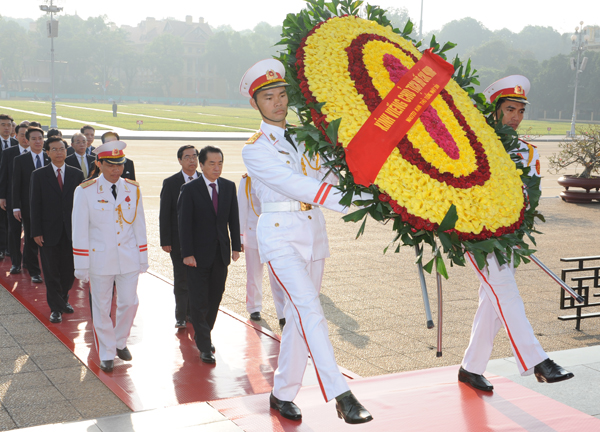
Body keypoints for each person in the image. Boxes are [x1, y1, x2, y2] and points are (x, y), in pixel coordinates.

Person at [239, 59, 372, 424]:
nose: (278, 103)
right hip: (279, 235)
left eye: (282, 94)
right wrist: (352, 203)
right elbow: (297, 185)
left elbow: (334, 174)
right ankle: (342, 395)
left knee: (300, 319)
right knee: (311, 309)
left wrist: (373, 191)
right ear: (256, 104)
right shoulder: (255, 149)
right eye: (269, 97)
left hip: (312, 233)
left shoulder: (307, 137)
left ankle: (282, 394)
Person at [458, 75, 574, 392]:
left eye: (520, 111)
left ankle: (470, 368)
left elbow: (531, 199)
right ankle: (538, 362)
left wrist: (517, 231)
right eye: (510, 109)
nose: (516, 117)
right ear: (494, 110)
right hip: (475, 235)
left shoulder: (527, 152)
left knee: (493, 301)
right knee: (505, 291)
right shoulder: (470, 146)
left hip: (508, 238)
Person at [72, 140, 148, 372]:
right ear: (99, 164)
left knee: (129, 302)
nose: (117, 170)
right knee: (102, 307)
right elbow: (79, 229)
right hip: (100, 259)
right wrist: (81, 265)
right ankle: (106, 351)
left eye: (120, 164)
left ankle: (119, 341)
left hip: (128, 257)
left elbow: (139, 225)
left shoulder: (132, 189)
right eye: (111, 165)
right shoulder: (85, 191)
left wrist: (143, 257)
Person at [177, 145, 241, 364]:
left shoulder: (229, 186)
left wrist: (236, 246)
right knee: (198, 300)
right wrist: (187, 253)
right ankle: (204, 345)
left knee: (215, 297)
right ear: (201, 165)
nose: (216, 167)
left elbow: (233, 218)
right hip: (196, 256)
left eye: (220, 163)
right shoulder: (191, 189)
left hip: (220, 254)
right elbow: (183, 224)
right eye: (212, 163)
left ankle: (204, 332)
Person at [30, 137, 84, 323]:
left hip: (72, 232)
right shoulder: (39, 175)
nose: (59, 152)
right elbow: (34, 205)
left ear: (66, 151)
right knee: (51, 271)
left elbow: (82, 206)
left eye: (62, 149)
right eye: (54, 149)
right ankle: (56, 308)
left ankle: (63, 300)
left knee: (69, 272)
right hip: (48, 232)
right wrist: (36, 231)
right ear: (47, 153)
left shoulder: (77, 175)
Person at [237, 173, 286, 325]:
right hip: (253, 234)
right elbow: (241, 209)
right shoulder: (247, 181)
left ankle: (282, 313)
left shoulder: (276, 176)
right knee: (253, 274)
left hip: (274, 234)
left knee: (278, 276)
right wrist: (240, 237)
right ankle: (254, 308)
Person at [159, 145, 199, 328]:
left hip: (201, 241)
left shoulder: (204, 180)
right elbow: (164, 213)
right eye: (187, 157)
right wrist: (165, 241)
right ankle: (181, 315)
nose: (192, 160)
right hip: (178, 241)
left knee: (198, 279)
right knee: (182, 278)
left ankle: (195, 312)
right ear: (180, 160)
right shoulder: (171, 182)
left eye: (195, 156)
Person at [12, 126, 49, 283]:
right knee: (31, 238)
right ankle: (34, 271)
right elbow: (16, 185)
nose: (37, 141)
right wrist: (16, 207)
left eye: (40, 138)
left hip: (49, 208)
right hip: (28, 207)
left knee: (48, 240)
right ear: (27, 140)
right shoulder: (20, 160)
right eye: (33, 139)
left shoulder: (50, 157)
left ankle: (49, 270)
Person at [0, 123, 30, 273]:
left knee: (31, 233)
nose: (25, 138)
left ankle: (29, 263)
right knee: (14, 232)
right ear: (16, 135)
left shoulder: (41, 154)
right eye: (22, 134)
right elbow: (4, 176)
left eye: (28, 135)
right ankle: (15, 263)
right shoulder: (8, 153)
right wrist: (2, 197)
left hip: (32, 200)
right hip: (13, 199)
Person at [0, 114, 17, 260]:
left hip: (12, 189)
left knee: (11, 221)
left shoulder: (16, 144)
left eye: (9, 125)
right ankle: (2, 247)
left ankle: (9, 248)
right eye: (3, 124)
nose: (7, 128)